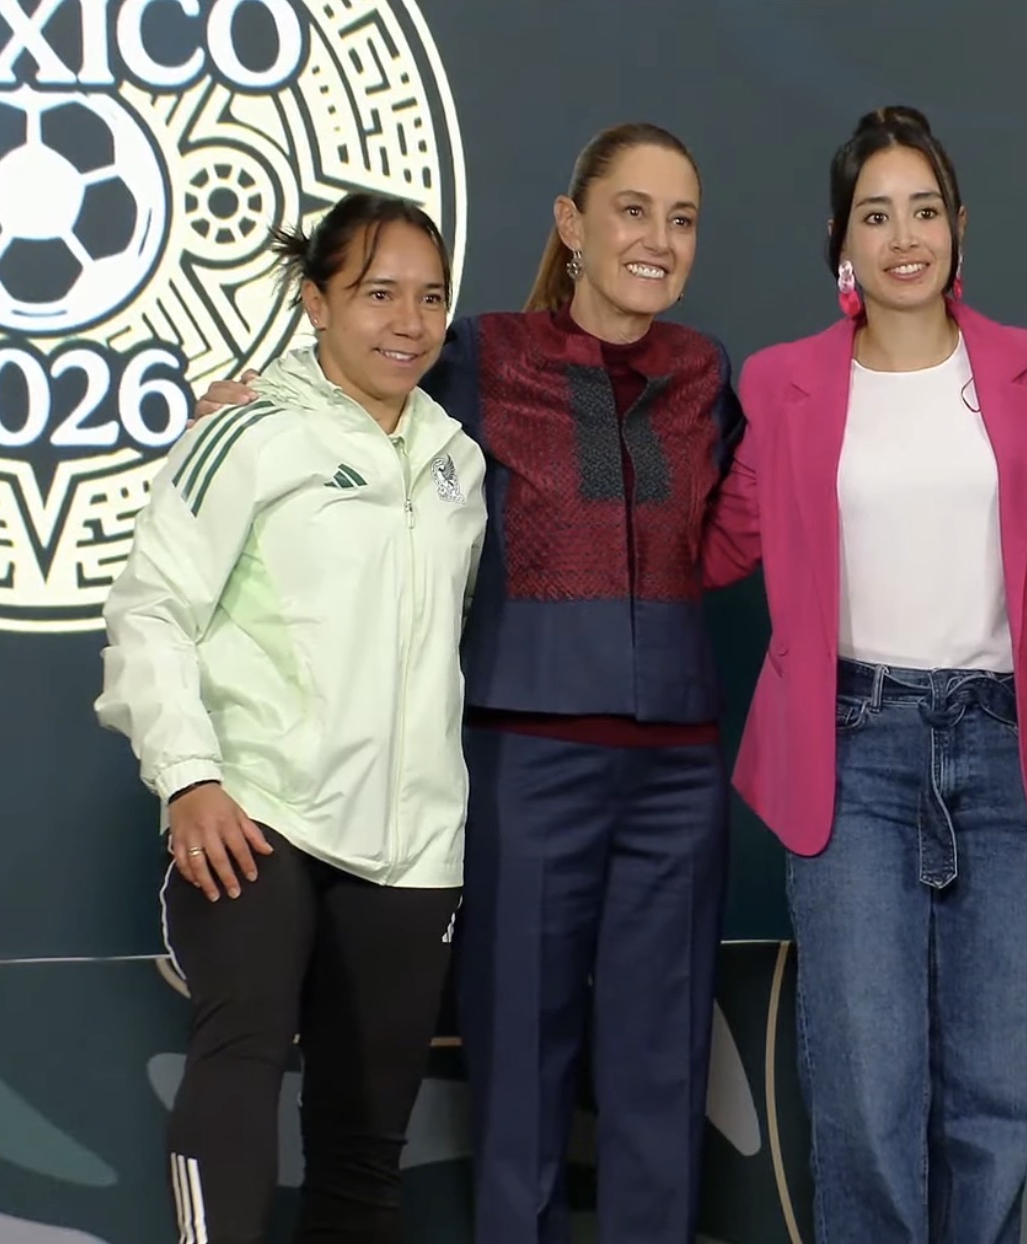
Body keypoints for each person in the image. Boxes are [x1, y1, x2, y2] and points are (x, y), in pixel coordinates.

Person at [195, 123, 744, 1244]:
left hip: (678, 773)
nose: (657, 237)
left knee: (662, 1063)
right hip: (524, 758)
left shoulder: (704, 370)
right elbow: (353, 379)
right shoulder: (479, 354)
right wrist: (255, 398)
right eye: (632, 209)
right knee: (519, 1059)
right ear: (571, 223)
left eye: (682, 218)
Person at [703, 106, 1027, 1243]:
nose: (904, 236)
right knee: (868, 1094)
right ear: (842, 239)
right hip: (851, 747)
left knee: (999, 1098)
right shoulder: (783, 382)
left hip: (1003, 747)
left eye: (924, 210)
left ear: (959, 225)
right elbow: (715, 545)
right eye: (876, 215)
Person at [95, 192, 486, 1244]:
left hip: (412, 846)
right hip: (258, 814)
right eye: (377, 293)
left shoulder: (457, 459)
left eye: (431, 297)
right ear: (316, 302)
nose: (408, 321)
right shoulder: (249, 430)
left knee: (364, 1147)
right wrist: (190, 775)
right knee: (242, 1060)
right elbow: (150, 609)